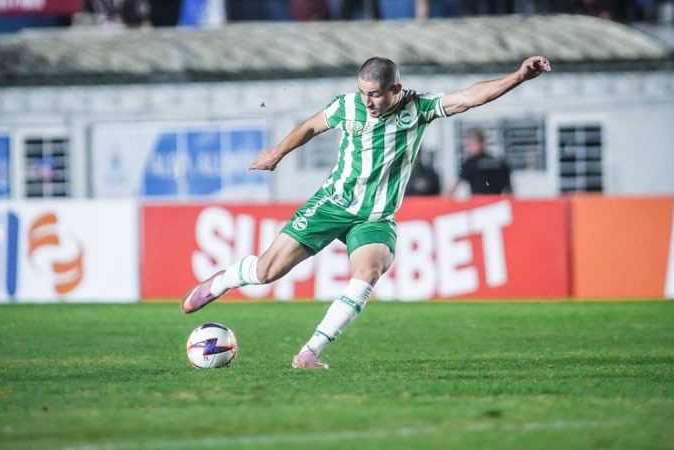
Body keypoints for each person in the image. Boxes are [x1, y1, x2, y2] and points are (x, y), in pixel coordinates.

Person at [182, 55, 551, 369]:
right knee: (266, 272)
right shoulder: (348, 106)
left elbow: (469, 97)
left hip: (375, 217)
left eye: (375, 94)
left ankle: (310, 352)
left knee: (368, 272)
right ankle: (222, 281)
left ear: (395, 89)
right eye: (364, 93)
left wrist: (519, 76)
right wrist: (276, 154)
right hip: (332, 203)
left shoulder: (417, 109)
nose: (368, 101)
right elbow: (310, 125)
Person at [443, 128, 512, 196]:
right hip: (497, 204)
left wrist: (443, 200)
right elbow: (508, 191)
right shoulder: (500, 163)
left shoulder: (471, 163)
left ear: (479, 144)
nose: (467, 148)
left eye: (469, 144)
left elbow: (453, 186)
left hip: (479, 204)